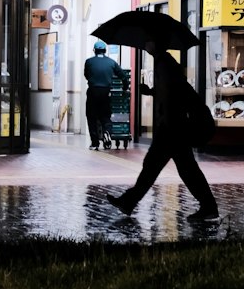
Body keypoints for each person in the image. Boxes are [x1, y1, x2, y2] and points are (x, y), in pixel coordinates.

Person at [107, 48, 219, 221]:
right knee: (182, 168)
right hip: (174, 127)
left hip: (172, 128)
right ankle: (208, 206)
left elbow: (172, 94)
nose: (146, 44)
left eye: (149, 41)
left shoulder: (164, 63)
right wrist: (152, 91)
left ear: (156, 43)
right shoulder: (165, 63)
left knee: (158, 167)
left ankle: (129, 201)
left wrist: (165, 123)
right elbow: (173, 90)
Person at [84, 39, 124, 149]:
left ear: (95, 51)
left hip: (93, 92)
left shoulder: (89, 62)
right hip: (106, 92)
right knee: (105, 116)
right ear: (105, 50)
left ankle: (95, 143)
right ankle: (107, 132)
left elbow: (86, 75)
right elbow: (122, 75)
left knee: (91, 117)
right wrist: (125, 87)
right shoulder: (111, 62)